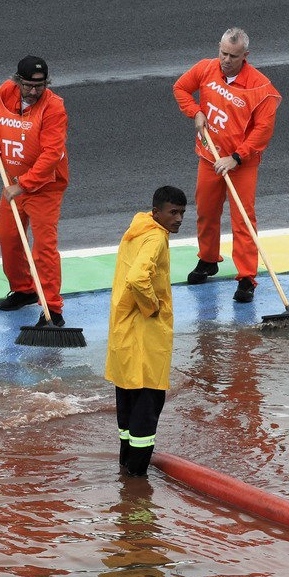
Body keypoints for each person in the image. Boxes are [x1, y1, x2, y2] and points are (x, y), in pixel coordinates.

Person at [173, 28, 282, 302]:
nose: (226, 60)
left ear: (245, 56)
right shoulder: (206, 68)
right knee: (206, 212)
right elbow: (181, 88)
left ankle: (246, 277)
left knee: (243, 219)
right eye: (222, 53)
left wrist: (235, 158)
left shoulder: (261, 89)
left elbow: (263, 132)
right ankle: (208, 259)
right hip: (210, 157)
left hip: (241, 164)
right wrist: (196, 112)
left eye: (233, 56)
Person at [0, 55, 70, 325]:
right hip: (12, 182)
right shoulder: (3, 93)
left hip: (44, 187)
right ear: (17, 81)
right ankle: (24, 289)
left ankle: (52, 307)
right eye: (29, 85)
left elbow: (52, 155)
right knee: (9, 238)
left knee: (44, 248)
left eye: (39, 86)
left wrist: (23, 186)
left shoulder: (54, 108)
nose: (33, 91)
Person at [106, 186, 185, 479]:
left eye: (182, 213)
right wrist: (152, 307)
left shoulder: (137, 230)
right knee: (148, 405)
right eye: (173, 212)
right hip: (145, 336)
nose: (178, 219)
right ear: (157, 213)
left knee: (126, 404)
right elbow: (138, 278)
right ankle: (138, 482)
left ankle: (125, 468)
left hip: (124, 332)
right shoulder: (155, 239)